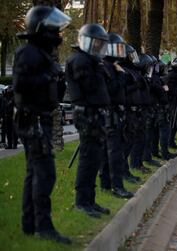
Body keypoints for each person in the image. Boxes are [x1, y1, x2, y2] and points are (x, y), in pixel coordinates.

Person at [13, 5, 72, 243]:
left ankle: (29, 224)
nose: (58, 33)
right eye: (54, 28)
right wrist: (49, 77)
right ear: (42, 28)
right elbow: (20, 86)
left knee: (33, 173)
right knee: (44, 173)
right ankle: (43, 226)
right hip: (33, 121)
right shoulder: (28, 53)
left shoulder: (42, 54)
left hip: (40, 119)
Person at [66, 23, 111, 218]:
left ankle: (90, 200)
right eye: (96, 44)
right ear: (86, 42)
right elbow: (91, 85)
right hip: (86, 113)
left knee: (95, 158)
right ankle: (82, 202)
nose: (98, 48)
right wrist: (99, 67)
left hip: (95, 113)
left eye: (100, 45)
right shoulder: (80, 61)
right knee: (88, 157)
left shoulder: (90, 61)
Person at [99, 32, 134, 198]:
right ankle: (116, 186)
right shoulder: (106, 67)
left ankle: (106, 184)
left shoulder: (111, 66)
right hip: (110, 114)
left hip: (115, 113)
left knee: (111, 150)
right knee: (114, 151)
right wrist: (120, 74)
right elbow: (112, 90)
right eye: (117, 48)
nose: (120, 52)